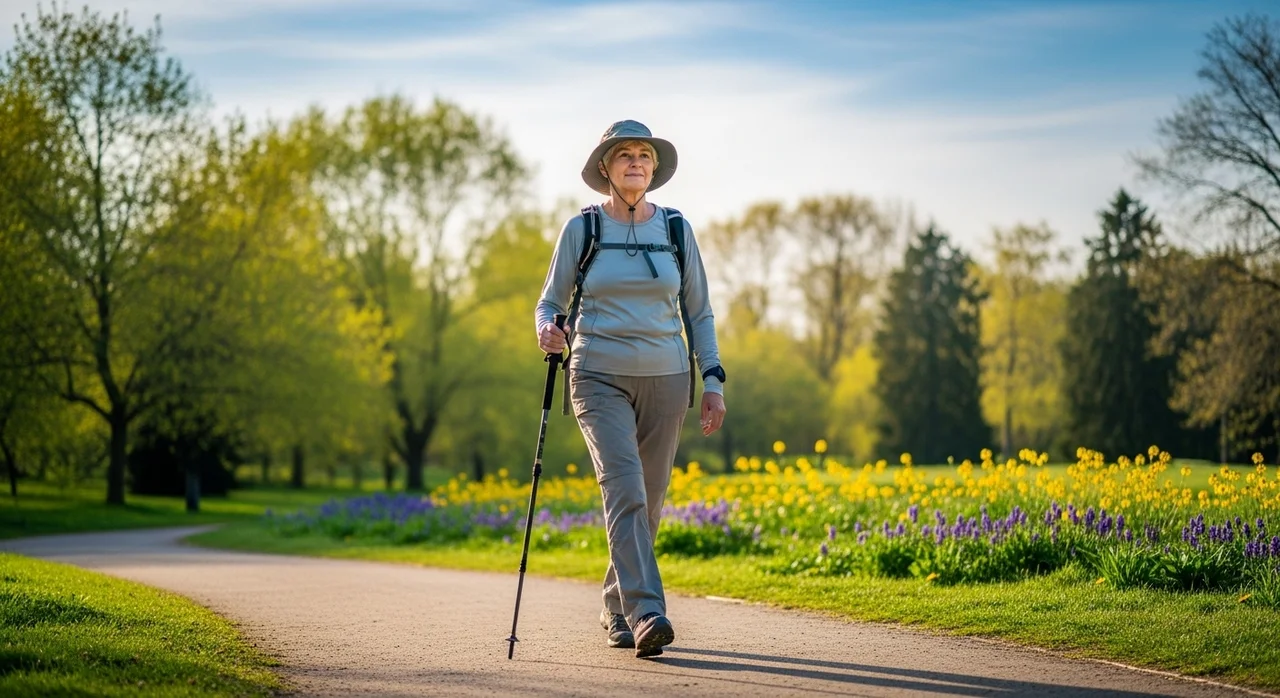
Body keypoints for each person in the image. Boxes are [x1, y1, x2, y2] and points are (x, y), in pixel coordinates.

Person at [534, 120, 726, 658]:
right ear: (605, 168)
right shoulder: (583, 229)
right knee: (624, 488)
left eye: (644, 155)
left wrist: (712, 379)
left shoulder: (676, 231)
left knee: (652, 498)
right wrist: (547, 330)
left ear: (654, 168)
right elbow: (549, 302)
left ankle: (616, 604)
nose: (637, 162)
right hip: (597, 375)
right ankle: (647, 612)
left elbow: (700, 312)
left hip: (668, 378)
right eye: (625, 155)